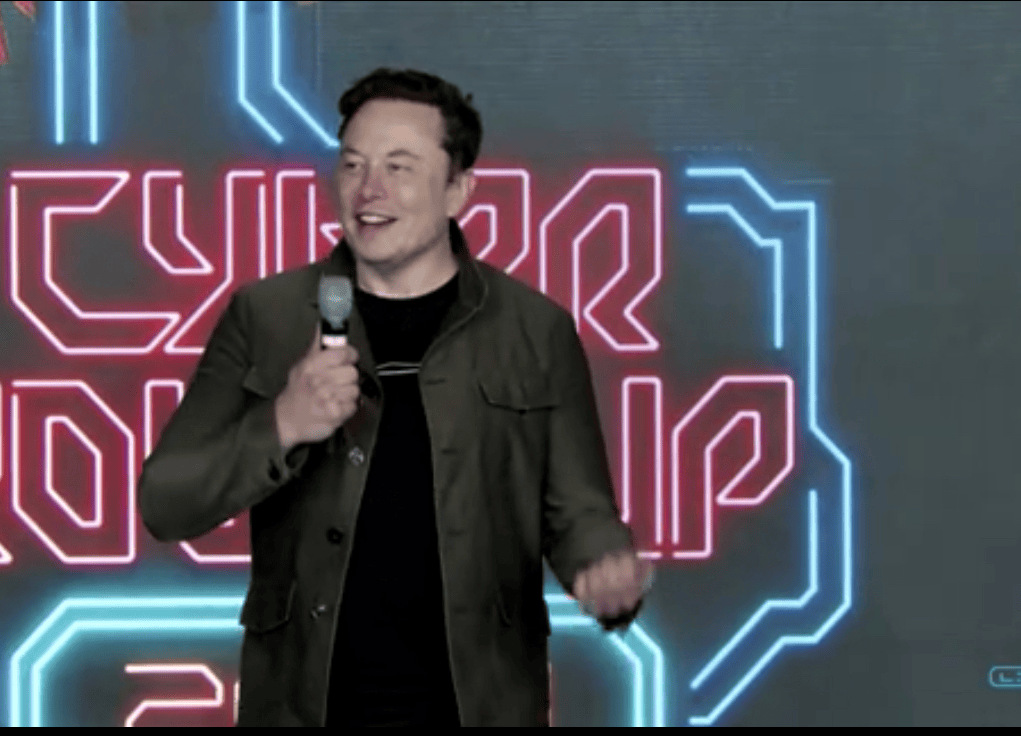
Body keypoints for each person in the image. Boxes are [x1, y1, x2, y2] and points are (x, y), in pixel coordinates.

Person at [137, 67, 652, 728]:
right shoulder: (265, 316)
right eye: (352, 165)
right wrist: (282, 423)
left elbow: (579, 512)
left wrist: (605, 572)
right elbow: (166, 501)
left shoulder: (535, 329)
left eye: (399, 168)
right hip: (303, 708)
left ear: (458, 189)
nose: (368, 190)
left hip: (481, 707)